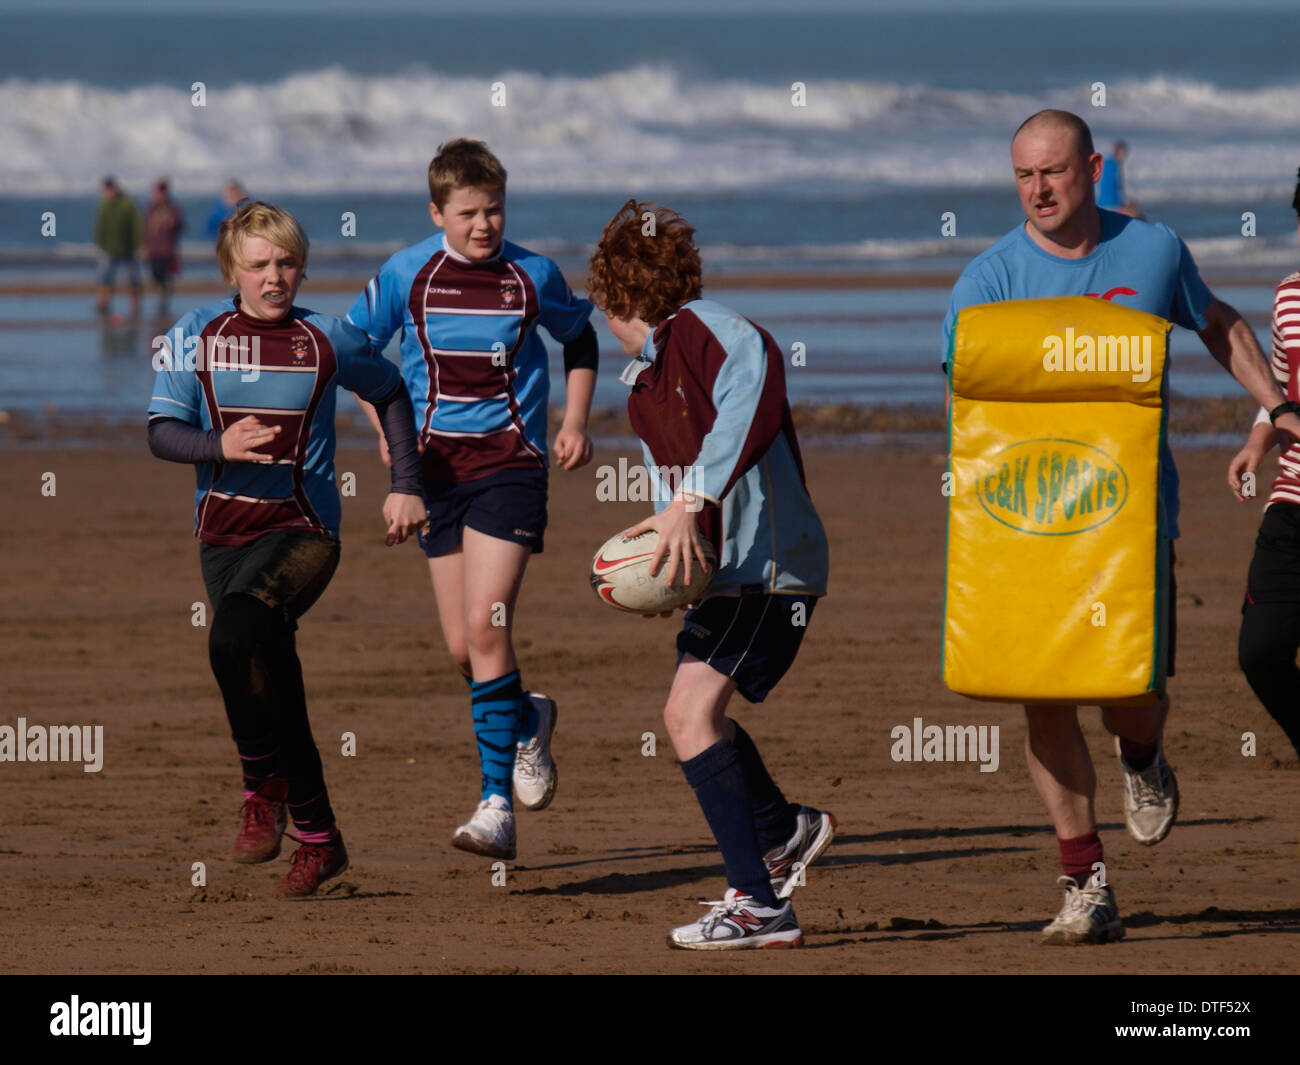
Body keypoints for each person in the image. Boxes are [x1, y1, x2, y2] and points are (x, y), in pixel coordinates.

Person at [942, 110, 1300, 945]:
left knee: (1133, 697)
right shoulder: (989, 280)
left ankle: (1142, 757)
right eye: (1024, 176)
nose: (1039, 190)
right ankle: (1084, 879)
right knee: (1045, 701)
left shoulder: (1152, 251)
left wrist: (1276, 405)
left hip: (1134, 519)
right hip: (1027, 528)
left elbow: (1217, 322)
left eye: (1055, 173)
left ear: (1093, 169)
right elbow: (967, 405)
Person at [147, 201, 427, 897]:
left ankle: (259, 787)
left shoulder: (327, 338)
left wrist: (406, 483)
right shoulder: (195, 336)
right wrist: (219, 444)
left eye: (287, 262)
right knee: (272, 681)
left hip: (305, 531)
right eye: (260, 264)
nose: (276, 277)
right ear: (232, 270)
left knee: (231, 637)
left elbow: (391, 391)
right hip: (222, 537)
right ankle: (321, 837)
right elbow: (160, 431)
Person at [587, 200, 834, 950]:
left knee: (690, 716)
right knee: (693, 715)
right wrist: (674, 569)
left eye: (603, 305)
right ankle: (783, 828)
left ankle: (759, 904)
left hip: (775, 566)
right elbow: (670, 494)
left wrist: (692, 502)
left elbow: (750, 404)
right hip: (727, 573)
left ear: (619, 296)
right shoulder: (642, 390)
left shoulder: (715, 332)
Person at [346, 139, 597, 860]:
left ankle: (495, 806)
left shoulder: (533, 273)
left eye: (493, 211)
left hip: (510, 467)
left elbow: (579, 342)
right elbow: (356, 356)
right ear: (437, 212)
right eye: (467, 214)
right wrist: (393, 448)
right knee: (464, 647)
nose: (482, 226)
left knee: (488, 630)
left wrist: (574, 420)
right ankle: (528, 718)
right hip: (434, 476)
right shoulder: (407, 273)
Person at [1229, 167, 1300, 764]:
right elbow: (1278, 387)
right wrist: (1257, 441)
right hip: (1292, 502)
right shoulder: (1288, 296)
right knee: (1261, 651)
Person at [94, 176, 142, 317]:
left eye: (110, 189)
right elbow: (99, 226)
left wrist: (136, 244)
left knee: (134, 279)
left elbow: (136, 224)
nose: (108, 192)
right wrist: (100, 244)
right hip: (109, 249)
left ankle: (135, 307)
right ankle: (103, 304)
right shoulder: (103, 204)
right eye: (106, 190)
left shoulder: (127, 203)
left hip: (128, 248)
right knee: (105, 278)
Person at [143, 179, 185, 316]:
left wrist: (172, 224)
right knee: (156, 276)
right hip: (154, 250)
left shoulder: (172, 209)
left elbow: (180, 225)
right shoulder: (150, 209)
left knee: (166, 277)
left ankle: (163, 301)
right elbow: (145, 228)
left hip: (167, 250)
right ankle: (160, 298)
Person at [1096, 140, 1141, 219]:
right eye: (1124, 151)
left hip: (1102, 202)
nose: (1125, 154)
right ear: (1119, 150)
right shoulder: (1113, 164)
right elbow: (1113, 184)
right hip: (1111, 203)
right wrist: (1125, 200)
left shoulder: (1107, 162)